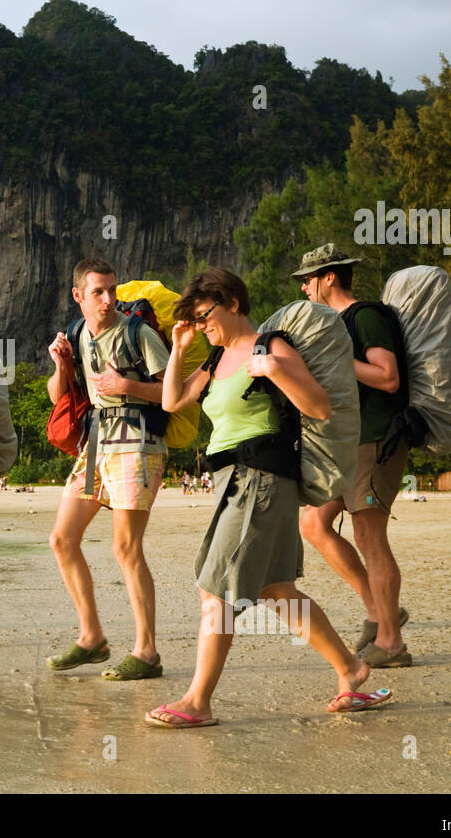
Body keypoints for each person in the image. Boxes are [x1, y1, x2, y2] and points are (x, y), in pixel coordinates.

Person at [146, 267, 391, 728]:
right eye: (197, 321)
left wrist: (275, 370)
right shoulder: (215, 361)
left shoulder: (270, 347)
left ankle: (198, 701)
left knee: (216, 591)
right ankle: (351, 669)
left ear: (232, 303)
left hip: (259, 478)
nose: (203, 327)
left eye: (205, 316)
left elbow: (319, 406)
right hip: (230, 483)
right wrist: (179, 350)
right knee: (277, 591)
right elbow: (171, 402)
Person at [45, 257, 168, 681]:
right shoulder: (77, 334)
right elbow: (56, 395)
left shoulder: (140, 333)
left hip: (137, 441)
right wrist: (61, 365)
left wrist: (127, 386)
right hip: (96, 441)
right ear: (78, 295)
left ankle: (147, 652)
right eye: (98, 291)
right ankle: (92, 637)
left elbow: (174, 393)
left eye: (112, 290)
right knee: (62, 539)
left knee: (125, 548)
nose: (108, 299)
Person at [293, 245, 412, 669]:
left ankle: (392, 643)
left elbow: (387, 376)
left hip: (375, 439)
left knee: (369, 537)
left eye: (307, 279)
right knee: (313, 523)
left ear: (329, 277)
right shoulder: (335, 323)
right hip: (344, 443)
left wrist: (338, 358)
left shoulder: (364, 317)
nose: (304, 287)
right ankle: (379, 611)